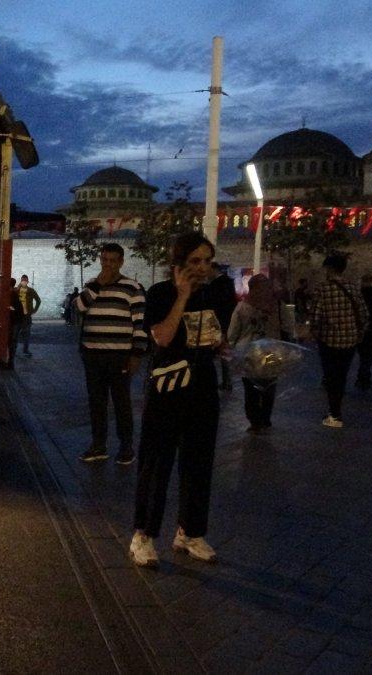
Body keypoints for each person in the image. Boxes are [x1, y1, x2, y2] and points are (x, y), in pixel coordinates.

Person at [130, 232, 223, 567]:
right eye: (195, 261)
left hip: (202, 384)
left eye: (207, 261)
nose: (202, 268)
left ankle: (190, 531)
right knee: (157, 461)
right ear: (178, 264)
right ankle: (143, 534)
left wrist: (223, 347)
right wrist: (182, 297)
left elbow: (215, 337)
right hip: (168, 385)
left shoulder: (212, 295)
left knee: (199, 461)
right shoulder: (160, 294)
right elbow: (164, 337)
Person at [75, 244, 146, 464]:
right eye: (104, 260)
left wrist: (136, 355)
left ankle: (126, 447)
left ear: (121, 262)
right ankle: (98, 445)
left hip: (119, 356)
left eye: (113, 260)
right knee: (96, 401)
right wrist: (97, 286)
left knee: (121, 401)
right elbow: (78, 307)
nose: (108, 264)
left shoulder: (133, 288)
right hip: (92, 354)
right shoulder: (92, 286)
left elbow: (140, 325)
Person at [227, 274, 294, 433]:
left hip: (248, 354)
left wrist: (232, 351)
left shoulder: (242, 307)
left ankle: (254, 421)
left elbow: (233, 333)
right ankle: (265, 419)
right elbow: (288, 328)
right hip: (273, 352)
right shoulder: (277, 305)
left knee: (250, 389)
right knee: (269, 387)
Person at [308, 253, 368, 428]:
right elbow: (364, 314)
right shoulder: (353, 288)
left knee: (331, 376)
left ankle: (335, 414)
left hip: (329, 340)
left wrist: (314, 331)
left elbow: (316, 316)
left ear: (330, 268)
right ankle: (335, 411)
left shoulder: (323, 289)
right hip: (350, 340)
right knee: (341, 376)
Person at [209, 265, 237, 392]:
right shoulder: (229, 283)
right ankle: (227, 381)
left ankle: (226, 382)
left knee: (222, 352)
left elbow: (214, 306)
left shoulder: (215, 285)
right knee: (225, 352)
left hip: (219, 323)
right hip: (228, 322)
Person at [14, 274, 41, 356]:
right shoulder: (16, 290)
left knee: (26, 333)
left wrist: (34, 310)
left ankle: (25, 349)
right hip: (18, 315)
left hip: (27, 315)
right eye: (23, 280)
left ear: (28, 281)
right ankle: (14, 349)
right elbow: (10, 295)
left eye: (25, 280)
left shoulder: (31, 291)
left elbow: (38, 300)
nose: (24, 282)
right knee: (15, 334)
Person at [5, 277, 23, 368]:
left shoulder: (11, 295)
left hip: (13, 322)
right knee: (12, 342)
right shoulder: (15, 294)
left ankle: (10, 361)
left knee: (11, 341)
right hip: (16, 321)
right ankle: (10, 361)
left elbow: (14, 309)